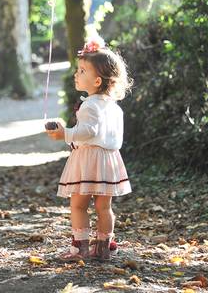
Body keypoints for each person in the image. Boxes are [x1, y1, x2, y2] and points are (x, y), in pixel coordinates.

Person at [46, 39, 132, 261]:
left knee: (78, 205)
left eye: (82, 70)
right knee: (104, 207)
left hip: (88, 160)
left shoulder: (90, 104)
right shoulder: (113, 106)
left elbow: (88, 132)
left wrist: (65, 134)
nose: (77, 73)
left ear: (96, 80)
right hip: (109, 159)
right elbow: (111, 136)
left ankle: (80, 249)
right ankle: (104, 247)